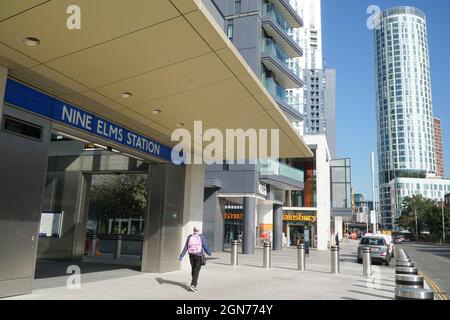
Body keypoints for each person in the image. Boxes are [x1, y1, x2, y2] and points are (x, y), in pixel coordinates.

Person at [179, 226, 211, 292]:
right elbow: (205, 246)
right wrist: (209, 253)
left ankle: (194, 283)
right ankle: (193, 285)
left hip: (191, 255)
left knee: (193, 270)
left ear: (193, 230)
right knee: (197, 270)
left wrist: (181, 256)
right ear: (198, 231)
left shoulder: (189, 237)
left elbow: (186, 247)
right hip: (198, 256)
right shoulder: (201, 237)